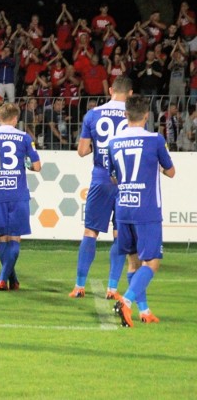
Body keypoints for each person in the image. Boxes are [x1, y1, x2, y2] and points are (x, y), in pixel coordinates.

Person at [109, 95, 175, 327]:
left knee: (133, 263)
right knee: (152, 262)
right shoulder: (155, 139)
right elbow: (171, 171)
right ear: (147, 115)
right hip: (146, 210)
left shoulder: (113, 142)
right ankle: (126, 301)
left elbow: (114, 176)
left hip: (123, 208)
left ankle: (144, 310)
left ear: (126, 115)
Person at [69, 76, 133, 299]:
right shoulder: (134, 115)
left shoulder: (93, 114)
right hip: (126, 181)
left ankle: (79, 286)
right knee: (120, 234)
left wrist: (99, 148)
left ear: (110, 90)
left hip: (101, 178)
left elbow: (82, 150)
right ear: (131, 94)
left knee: (90, 232)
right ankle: (112, 288)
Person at [0, 103, 41, 290]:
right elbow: (37, 166)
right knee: (15, 237)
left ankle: (11, 278)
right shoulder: (24, 137)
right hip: (18, 193)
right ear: (15, 118)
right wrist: (26, 165)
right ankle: (3, 277)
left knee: (2, 237)